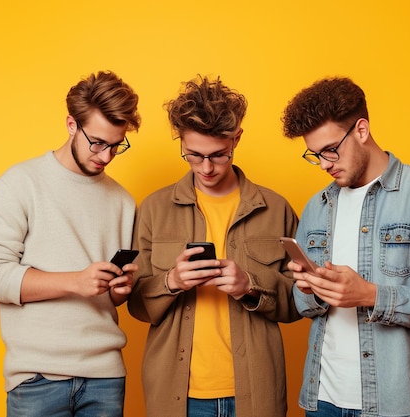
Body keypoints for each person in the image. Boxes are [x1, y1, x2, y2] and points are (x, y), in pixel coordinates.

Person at [281, 77, 410, 417]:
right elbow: (304, 306)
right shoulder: (318, 206)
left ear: (361, 130)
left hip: (399, 404)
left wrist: (371, 295)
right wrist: (309, 286)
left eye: (331, 150)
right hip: (322, 400)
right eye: (315, 155)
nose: (325, 163)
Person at [128, 75, 301, 417]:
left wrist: (250, 287)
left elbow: (301, 303)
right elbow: (135, 305)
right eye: (193, 155)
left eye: (218, 155)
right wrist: (171, 282)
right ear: (180, 141)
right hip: (176, 394)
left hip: (256, 390)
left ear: (236, 139)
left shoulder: (276, 208)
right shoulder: (153, 209)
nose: (206, 167)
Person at [0, 70, 141, 417]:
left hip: (106, 377)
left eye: (116, 145)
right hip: (37, 378)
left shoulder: (123, 201)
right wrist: (75, 282)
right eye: (97, 142)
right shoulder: (20, 184)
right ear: (71, 125)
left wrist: (120, 290)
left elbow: (111, 299)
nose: (106, 156)